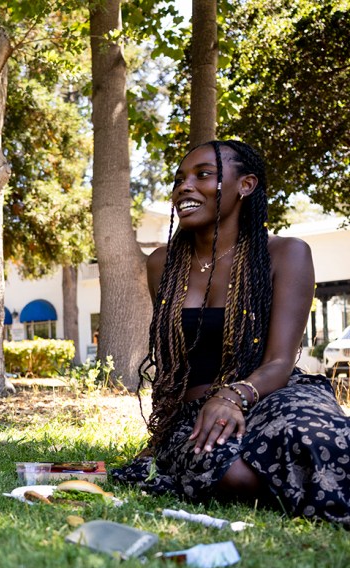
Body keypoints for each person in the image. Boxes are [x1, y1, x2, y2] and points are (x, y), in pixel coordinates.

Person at [111, 139, 350, 527]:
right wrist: (160, 439)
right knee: (235, 475)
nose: (184, 187)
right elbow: (174, 367)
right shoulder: (162, 265)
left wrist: (233, 395)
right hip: (197, 414)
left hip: (273, 395)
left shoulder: (286, 254)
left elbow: (279, 361)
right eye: (179, 180)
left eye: (203, 175)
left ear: (246, 185)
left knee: (321, 438)